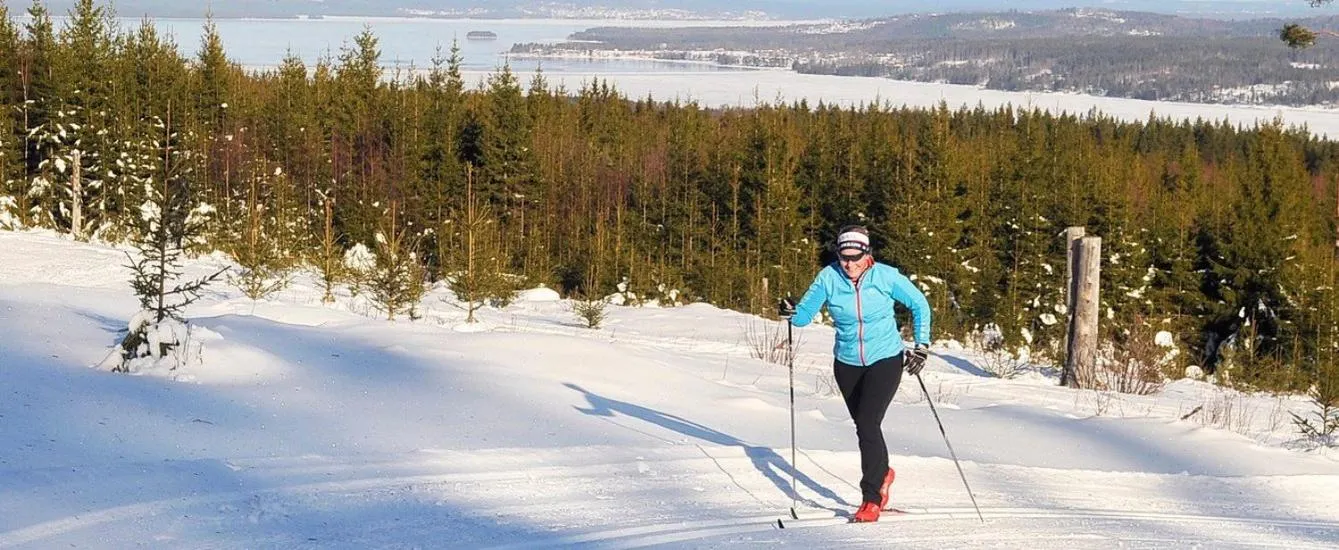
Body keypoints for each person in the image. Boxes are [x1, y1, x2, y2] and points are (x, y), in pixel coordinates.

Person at [778, 224, 932, 523]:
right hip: (846, 363)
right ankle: (883, 472)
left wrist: (921, 346)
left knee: (868, 422)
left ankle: (871, 498)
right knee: (864, 428)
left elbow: (920, 304)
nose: (849, 264)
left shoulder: (886, 276)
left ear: (867, 254)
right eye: (844, 257)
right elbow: (802, 318)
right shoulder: (828, 277)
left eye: (855, 257)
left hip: (885, 359)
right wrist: (789, 312)